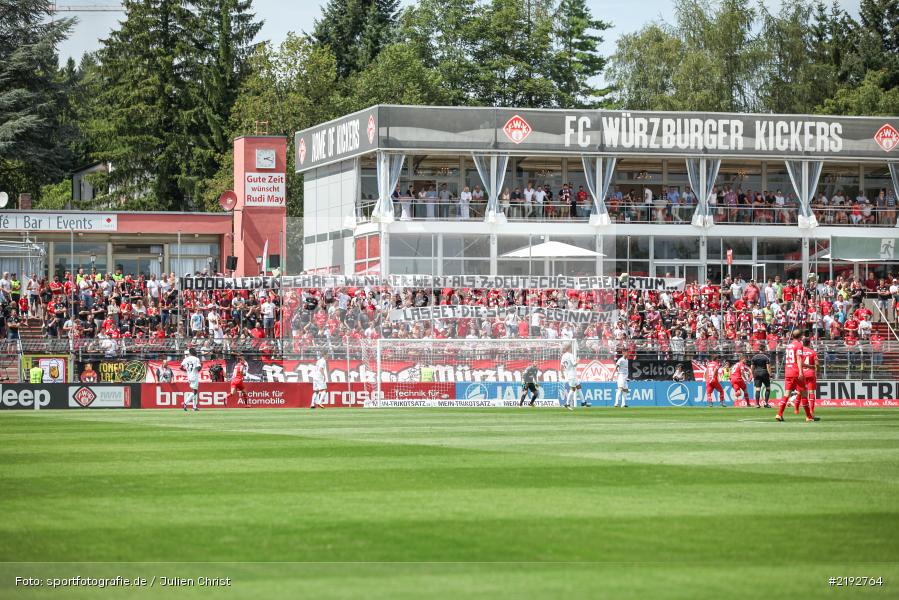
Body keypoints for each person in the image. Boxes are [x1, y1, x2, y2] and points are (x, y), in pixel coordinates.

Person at [776, 330, 814, 422]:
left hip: (788, 371)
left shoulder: (789, 346)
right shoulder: (799, 345)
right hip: (795, 371)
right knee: (804, 394)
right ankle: (808, 416)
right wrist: (801, 372)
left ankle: (779, 414)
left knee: (786, 394)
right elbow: (799, 358)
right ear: (800, 336)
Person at [801, 336, 820, 420]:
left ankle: (805, 413)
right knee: (811, 392)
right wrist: (818, 371)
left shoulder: (799, 352)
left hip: (801, 374)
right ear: (809, 343)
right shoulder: (813, 352)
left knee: (802, 393)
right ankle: (812, 412)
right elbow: (817, 364)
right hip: (810, 373)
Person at [560, 344, 584, 410]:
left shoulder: (563, 356)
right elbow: (574, 364)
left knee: (578, 386)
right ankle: (567, 404)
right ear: (570, 348)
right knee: (573, 389)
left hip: (568, 374)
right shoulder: (570, 355)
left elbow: (561, 366)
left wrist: (562, 374)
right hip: (572, 374)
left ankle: (583, 402)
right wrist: (578, 361)